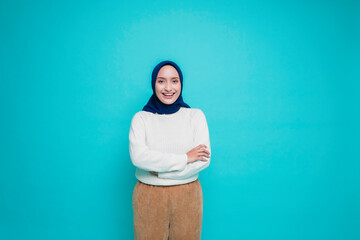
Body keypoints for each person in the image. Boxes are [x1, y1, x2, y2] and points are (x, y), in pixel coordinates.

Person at [129, 60, 211, 240]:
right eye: (161, 81)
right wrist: (185, 158)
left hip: (188, 195)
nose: (168, 88)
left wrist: (159, 173)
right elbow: (139, 157)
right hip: (149, 195)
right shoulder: (141, 119)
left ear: (181, 83)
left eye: (174, 81)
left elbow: (203, 160)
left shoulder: (195, 116)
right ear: (153, 84)